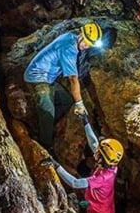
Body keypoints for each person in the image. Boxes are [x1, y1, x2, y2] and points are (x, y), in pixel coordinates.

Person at [22, 21, 106, 153]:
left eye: (90, 45)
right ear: (81, 35)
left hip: (49, 78)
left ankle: (46, 125)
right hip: (37, 77)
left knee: (66, 101)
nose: (86, 46)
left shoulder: (72, 36)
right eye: (86, 42)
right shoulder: (68, 49)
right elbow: (73, 78)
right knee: (48, 110)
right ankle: (45, 145)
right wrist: (79, 103)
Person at [44, 133, 125, 213]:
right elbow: (94, 145)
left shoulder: (102, 177)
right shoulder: (111, 166)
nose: (95, 152)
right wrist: (85, 121)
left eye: (98, 153)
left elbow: (75, 183)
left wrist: (56, 166)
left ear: (102, 159)